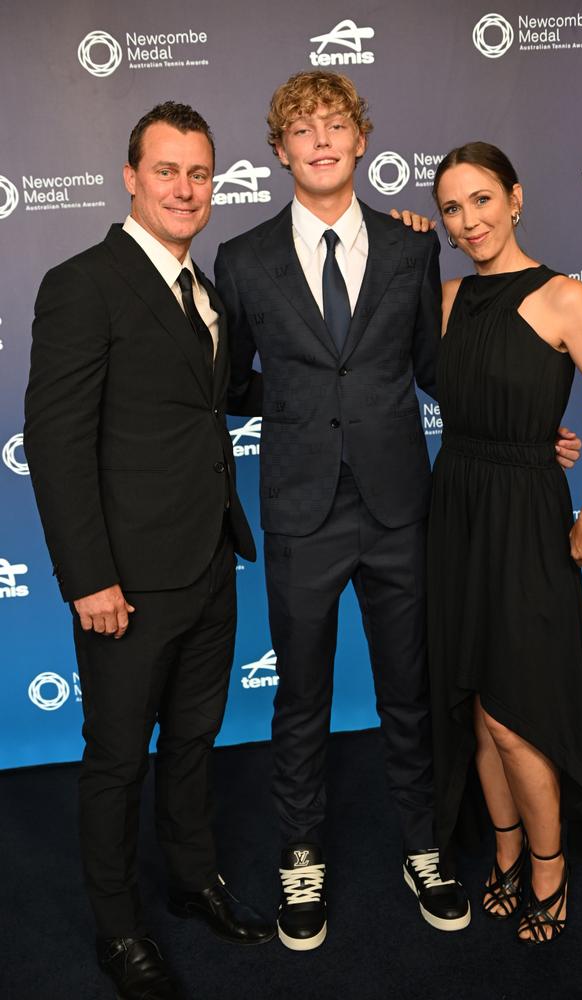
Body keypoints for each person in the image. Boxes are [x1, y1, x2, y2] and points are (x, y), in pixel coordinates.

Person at [214, 72, 581, 951]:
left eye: (336, 123)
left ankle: (424, 844)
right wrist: (303, 405)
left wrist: (528, 434)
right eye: (302, 129)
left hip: (397, 509)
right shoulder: (241, 258)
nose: (322, 139)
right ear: (280, 152)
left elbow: (436, 369)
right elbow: (230, 383)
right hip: (300, 511)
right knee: (299, 698)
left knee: (412, 694)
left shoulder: (415, 249)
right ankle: (301, 855)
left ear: (361, 139)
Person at [24, 102, 273, 1000]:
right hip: (124, 579)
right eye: (166, 170)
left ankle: (192, 878)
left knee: (196, 740)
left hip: (210, 560)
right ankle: (119, 929)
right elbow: (54, 442)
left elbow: (222, 397)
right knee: (118, 757)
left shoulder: (201, 287)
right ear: (130, 177)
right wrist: (89, 577)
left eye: (199, 173)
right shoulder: (83, 282)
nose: (185, 187)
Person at [427, 141, 582, 944]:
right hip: (455, 508)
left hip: (525, 515)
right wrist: (408, 234)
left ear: (515, 199)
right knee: (479, 709)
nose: (469, 219)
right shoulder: (445, 299)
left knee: (518, 712)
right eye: (452, 208)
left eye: (482, 199)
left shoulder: (564, 299)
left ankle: (550, 870)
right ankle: (507, 849)